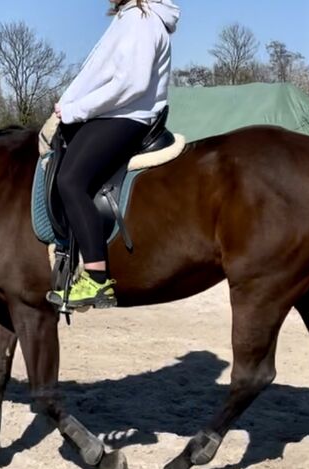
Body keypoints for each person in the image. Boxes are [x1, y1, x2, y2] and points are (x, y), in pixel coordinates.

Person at [45, 0, 180, 310]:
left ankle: (95, 278)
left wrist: (74, 110)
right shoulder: (130, 16)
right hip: (116, 113)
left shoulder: (142, 20)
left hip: (127, 116)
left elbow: (130, 85)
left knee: (71, 180)